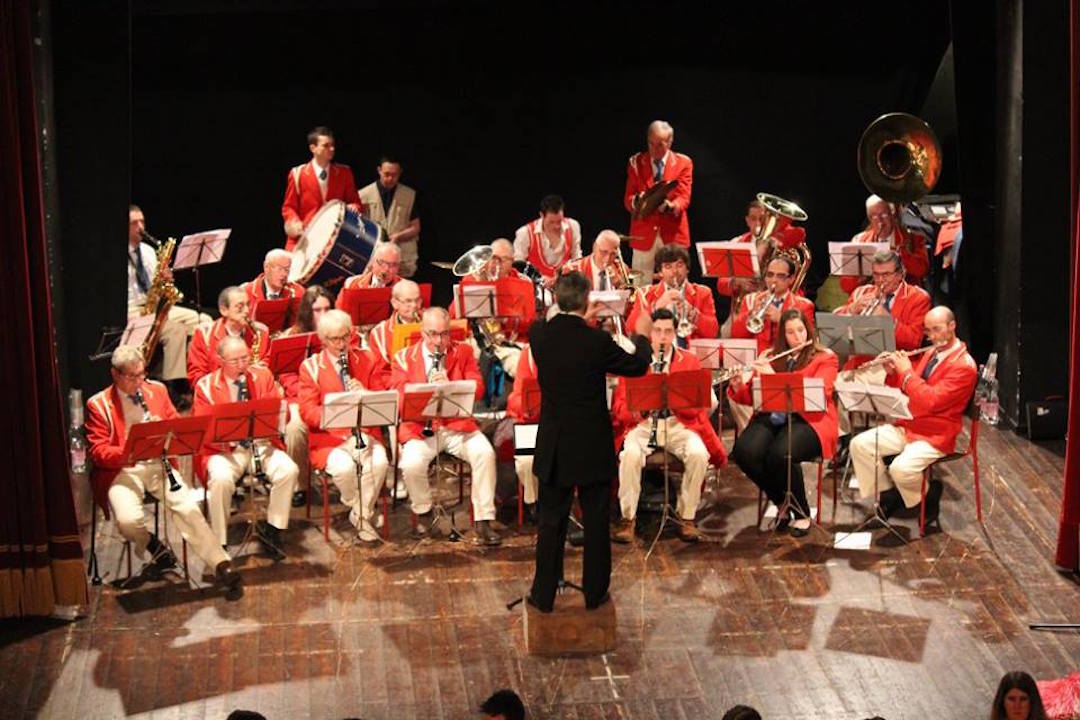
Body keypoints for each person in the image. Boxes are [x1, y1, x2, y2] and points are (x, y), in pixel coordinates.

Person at [526, 271, 651, 612]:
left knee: (551, 521)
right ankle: (595, 594)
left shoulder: (539, 334)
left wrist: (583, 315)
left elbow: (558, 323)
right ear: (585, 303)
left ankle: (543, 594)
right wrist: (641, 335)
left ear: (557, 301)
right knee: (596, 522)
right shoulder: (597, 342)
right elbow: (638, 366)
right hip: (592, 444)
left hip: (555, 444)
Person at [85, 345, 240, 589]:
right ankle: (152, 545)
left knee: (187, 506)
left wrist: (164, 430)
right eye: (132, 376)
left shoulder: (156, 390)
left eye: (142, 374)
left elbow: (178, 426)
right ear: (116, 374)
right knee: (127, 520)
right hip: (122, 471)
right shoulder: (99, 404)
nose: (139, 381)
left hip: (159, 464)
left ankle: (220, 563)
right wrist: (130, 448)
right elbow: (97, 451)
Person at [848, 306, 977, 524]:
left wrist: (905, 371)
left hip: (936, 434)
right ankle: (890, 495)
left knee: (901, 468)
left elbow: (930, 400)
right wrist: (892, 372)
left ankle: (928, 496)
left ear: (952, 326)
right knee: (859, 445)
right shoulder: (931, 352)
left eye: (937, 329)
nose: (932, 336)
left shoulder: (964, 366)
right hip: (910, 424)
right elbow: (908, 389)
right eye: (928, 331)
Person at [612, 309, 726, 543]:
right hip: (644, 425)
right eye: (657, 331)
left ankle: (687, 517)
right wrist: (639, 409)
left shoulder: (690, 361)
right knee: (630, 454)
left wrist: (675, 399)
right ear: (650, 333)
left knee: (698, 454)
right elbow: (620, 409)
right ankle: (628, 519)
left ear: (675, 333)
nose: (662, 337)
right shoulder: (634, 362)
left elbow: (698, 408)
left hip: (678, 422)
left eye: (668, 332)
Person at [391, 307, 501, 545]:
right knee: (410, 463)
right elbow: (400, 400)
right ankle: (423, 513)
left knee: (485, 453)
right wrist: (425, 390)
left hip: (456, 425)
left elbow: (479, 389)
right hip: (421, 428)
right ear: (421, 332)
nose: (438, 341)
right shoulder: (403, 358)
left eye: (444, 334)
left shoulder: (463, 351)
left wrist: (452, 385)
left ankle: (483, 520)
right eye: (432, 334)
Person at [728, 309, 838, 537]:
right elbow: (752, 397)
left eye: (800, 330)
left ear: (809, 330)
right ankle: (781, 501)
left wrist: (772, 377)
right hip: (773, 414)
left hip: (809, 419)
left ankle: (801, 513)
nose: (797, 337)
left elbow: (820, 393)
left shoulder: (825, 358)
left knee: (781, 453)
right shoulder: (771, 355)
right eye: (790, 332)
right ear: (783, 336)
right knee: (743, 452)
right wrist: (739, 385)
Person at [193, 336, 299, 559]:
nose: (242, 365)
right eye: (235, 361)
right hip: (224, 450)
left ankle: (273, 530)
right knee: (220, 479)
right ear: (220, 360)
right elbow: (201, 431)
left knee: (289, 470)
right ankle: (219, 544)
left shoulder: (263, 375)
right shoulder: (206, 387)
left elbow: (283, 417)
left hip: (261, 444)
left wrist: (278, 406)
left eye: (245, 358)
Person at [298, 310, 390, 543]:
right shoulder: (311, 367)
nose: (341, 344)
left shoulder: (366, 359)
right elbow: (307, 411)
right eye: (334, 339)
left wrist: (365, 394)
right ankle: (361, 511)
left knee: (380, 463)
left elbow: (384, 398)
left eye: (345, 337)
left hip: (365, 432)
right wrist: (336, 413)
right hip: (329, 439)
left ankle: (359, 516)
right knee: (344, 468)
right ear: (323, 340)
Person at [127, 205, 204, 406]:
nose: (140, 227)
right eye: (134, 223)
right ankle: (173, 387)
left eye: (142, 221)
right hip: (133, 310)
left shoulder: (149, 251)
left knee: (202, 320)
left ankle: (199, 379)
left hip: (156, 306)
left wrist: (167, 280)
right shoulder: (116, 255)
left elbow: (159, 288)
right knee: (175, 331)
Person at [728, 256, 816, 430]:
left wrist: (781, 318)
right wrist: (751, 313)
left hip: (787, 363)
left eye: (780, 276)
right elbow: (736, 334)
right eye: (769, 275)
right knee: (735, 390)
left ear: (791, 279)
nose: (773, 281)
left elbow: (806, 343)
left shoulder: (803, 305)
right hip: (757, 362)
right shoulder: (751, 300)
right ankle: (752, 431)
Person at [277, 285, 335, 506]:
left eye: (326, 309)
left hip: (332, 396)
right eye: (317, 310)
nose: (323, 315)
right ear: (306, 312)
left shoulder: (338, 331)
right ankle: (300, 484)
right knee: (294, 427)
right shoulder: (291, 336)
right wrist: (306, 395)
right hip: (300, 398)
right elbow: (286, 375)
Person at [834, 249, 931, 377]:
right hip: (860, 364)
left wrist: (886, 320)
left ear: (900, 274)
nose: (880, 280)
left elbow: (913, 342)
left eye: (886, 275)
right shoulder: (861, 292)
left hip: (894, 368)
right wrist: (852, 309)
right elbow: (833, 328)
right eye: (876, 274)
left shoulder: (918, 297)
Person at [623, 120, 693, 278]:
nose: (654, 149)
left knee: (676, 281)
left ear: (670, 142)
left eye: (660, 145)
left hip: (673, 233)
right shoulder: (636, 162)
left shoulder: (683, 163)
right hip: (643, 232)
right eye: (651, 144)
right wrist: (637, 201)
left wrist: (670, 206)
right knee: (640, 285)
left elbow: (684, 197)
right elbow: (628, 198)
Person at [281, 126, 360, 251]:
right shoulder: (298, 174)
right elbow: (289, 206)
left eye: (332, 145)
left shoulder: (344, 173)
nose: (332, 149)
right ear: (313, 148)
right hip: (305, 238)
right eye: (326, 145)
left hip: (334, 239)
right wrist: (295, 222)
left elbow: (354, 201)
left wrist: (354, 207)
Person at [625, 244, 719, 345]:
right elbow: (630, 328)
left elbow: (713, 332)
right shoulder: (645, 293)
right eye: (668, 267)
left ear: (687, 269)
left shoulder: (703, 292)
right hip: (655, 351)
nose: (674, 271)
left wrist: (691, 313)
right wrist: (656, 307)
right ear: (660, 272)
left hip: (690, 352)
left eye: (679, 265)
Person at [840, 194, 930, 293]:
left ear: (892, 214)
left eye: (884, 215)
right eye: (874, 217)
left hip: (903, 296)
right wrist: (859, 277)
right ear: (869, 219)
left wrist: (898, 255)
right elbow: (846, 287)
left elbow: (922, 270)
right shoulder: (859, 240)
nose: (880, 222)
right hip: (870, 296)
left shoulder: (913, 238)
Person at [186, 286, 270, 387]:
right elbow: (196, 377)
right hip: (218, 394)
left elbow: (267, 365)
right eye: (240, 307)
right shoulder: (204, 334)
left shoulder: (261, 332)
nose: (247, 311)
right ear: (223, 310)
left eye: (248, 305)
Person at [358, 155, 421, 277]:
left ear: (400, 173)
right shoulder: (363, 195)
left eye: (395, 175)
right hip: (374, 259)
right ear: (379, 170)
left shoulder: (409, 195)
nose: (390, 178)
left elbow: (415, 227)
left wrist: (397, 237)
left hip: (402, 260)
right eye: (387, 174)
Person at [512, 194, 582, 285]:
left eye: (559, 221)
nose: (556, 226)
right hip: (536, 288)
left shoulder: (573, 226)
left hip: (565, 287)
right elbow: (518, 267)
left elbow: (577, 259)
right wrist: (537, 278)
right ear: (541, 215)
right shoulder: (525, 233)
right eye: (551, 222)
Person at [241, 248, 306, 316]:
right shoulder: (245, 292)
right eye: (279, 269)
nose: (284, 274)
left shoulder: (299, 292)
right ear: (266, 267)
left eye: (286, 270)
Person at [337, 241, 404, 298]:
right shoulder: (351, 283)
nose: (386, 269)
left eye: (393, 265)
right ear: (372, 262)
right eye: (382, 263)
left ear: (399, 267)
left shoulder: (406, 290)